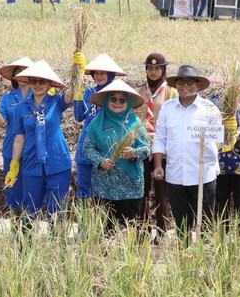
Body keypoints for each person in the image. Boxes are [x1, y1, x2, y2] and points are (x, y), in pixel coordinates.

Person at [152, 65, 224, 240]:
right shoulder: (168, 108)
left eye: (190, 82)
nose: (185, 85)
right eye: (181, 82)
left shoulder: (209, 108)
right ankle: (183, 260)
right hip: (176, 174)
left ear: (198, 85)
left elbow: (220, 141)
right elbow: (160, 138)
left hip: (203, 174)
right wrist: (158, 165)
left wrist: (221, 133)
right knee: (181, 224)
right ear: (176, 85)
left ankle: (206, 260)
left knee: (206, 223)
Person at [4, 60, 74, 226]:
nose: (37, 85)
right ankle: (26, 248)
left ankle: (58, 247)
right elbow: (19, 138)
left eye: (42, 81)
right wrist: (14, 164)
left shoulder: (56, 101)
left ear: (49, 83)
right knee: (29, 210)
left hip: (57, 164)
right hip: (31, 164)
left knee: (57, 213)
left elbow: (71, 94)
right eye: (33, 81)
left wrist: (78, 70)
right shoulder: (21, 108)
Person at [85, 80, 149, 233]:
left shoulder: (135, 123)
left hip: (131, 186)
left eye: (122, 100)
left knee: (129, 227)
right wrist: (101, 161)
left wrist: (134, 153)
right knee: (106, 226)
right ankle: (106, 256)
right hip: (105, 185)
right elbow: (87, 148)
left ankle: (129, 255)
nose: (117, 103)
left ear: (128, 103)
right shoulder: (97, 122)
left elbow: (147, 148)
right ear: (107, 101)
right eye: (113, 99)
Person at [135, 53, 176, 244]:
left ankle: (161, 230)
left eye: (157, 68)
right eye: (150, 68)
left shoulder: (171, 92)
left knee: (161, 190)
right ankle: (142, 228)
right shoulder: (139, 92)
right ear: (145, 70)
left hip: (163, 147)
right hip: (142, 146)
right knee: (141, 189)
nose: (153, 72)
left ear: (163, 70)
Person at [73, 53, 125, 200]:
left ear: (111, 74)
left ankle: (104, 223)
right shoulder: (88, 93)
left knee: (105, 194)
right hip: (86, 150)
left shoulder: (117, 96)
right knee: (84, 192)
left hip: (108, 150)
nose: (99, 76)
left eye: (103, 73)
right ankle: (86, 222)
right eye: (97, 72)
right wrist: (77, 92)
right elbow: (78, 117)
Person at [0, 57, 33, 216]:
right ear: (14, 77)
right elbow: (1, 122)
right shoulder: (8, 98)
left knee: (32, 189)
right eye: (18, 72)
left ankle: (29, 228)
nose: (22, 75)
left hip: (34, 149)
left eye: (25, 72)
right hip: (11, 149)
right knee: (13, 189)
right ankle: (17, 229)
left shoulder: (40, 95)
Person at [211, 77, 240, 226]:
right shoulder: (215, 100)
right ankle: (220, 238)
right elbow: (209, 126)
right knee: (219, 201)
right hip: (220, 160)